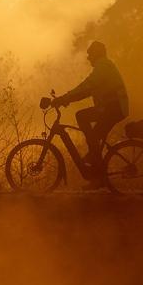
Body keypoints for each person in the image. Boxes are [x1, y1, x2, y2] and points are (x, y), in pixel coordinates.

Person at [51, 41, 129, 189]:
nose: (88, 58)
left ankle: (96, 170)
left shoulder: (103, 66)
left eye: (90, 54)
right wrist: (67, 99)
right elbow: (86, 91)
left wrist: (64, 98)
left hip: (113, 108)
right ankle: (96, 170)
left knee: (82, 117)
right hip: (111, 108)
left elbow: (87, 86)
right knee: (94, 138)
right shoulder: (104, 66)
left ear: (97, 54)